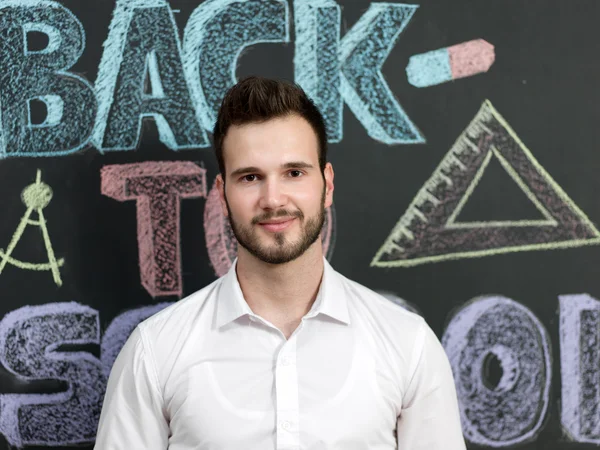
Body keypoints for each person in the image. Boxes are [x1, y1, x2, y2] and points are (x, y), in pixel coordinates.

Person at [94, 76, 466, 449]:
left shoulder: (408, 345)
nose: (273, 199)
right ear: (222, 196)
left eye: (294, 173)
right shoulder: (154, 351)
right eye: (251, 177)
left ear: (327, 185)